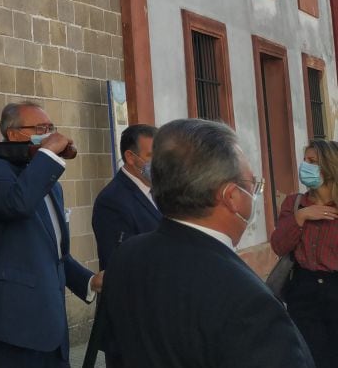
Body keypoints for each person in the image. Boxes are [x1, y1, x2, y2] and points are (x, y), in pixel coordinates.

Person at [103, 118, 313, 367]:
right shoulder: (248, 302)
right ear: (231, 196)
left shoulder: (127, 255)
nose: (255, 194)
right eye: (252, 185)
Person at [0, 101, 99, 368]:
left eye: (51, 127)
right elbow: (16, 204)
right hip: (10, 330)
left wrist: (91, 281)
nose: (48, 133)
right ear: (14, 134)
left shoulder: (48, 183)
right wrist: (48, 154)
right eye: (40, 128)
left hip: (50, 328)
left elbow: (53, 253)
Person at [270, 139, 338, 367]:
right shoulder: (294, 203)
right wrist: (300, 217)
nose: (305, 166)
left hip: (335, 286)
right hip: (303, 289)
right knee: (311, 358)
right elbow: (279, 246)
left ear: (330, 166)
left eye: (312, 161)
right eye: (305, 160)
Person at [92, 123, 160, 270]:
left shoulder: (163, 190)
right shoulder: (112, 201)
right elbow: (120, 262)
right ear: (130, 157)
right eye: (152, 155)